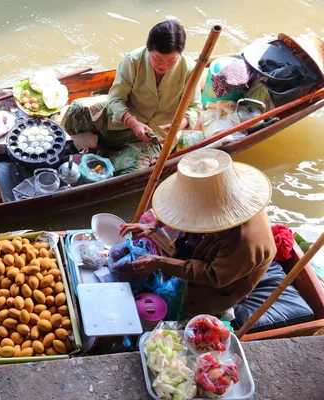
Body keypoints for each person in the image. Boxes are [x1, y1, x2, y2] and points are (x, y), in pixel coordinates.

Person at [119, 149, 276, 316]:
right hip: (203, 250)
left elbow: (212, 275)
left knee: (186, 305)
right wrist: (154, 225)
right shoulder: (214, 195)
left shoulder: (243, 241)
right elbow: (184, 206)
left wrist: (161, 262)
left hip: (219, 283)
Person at [62, 20, 202, 174]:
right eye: (158, 59)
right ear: (148, 49)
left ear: (180, 55)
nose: (164, 66)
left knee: (131, 169)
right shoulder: (133, 61)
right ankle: (93, 145)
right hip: (124, 119)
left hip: (157, 135)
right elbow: (115, 99)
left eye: (171, 61)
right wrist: (132, 122)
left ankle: (108, 155)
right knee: (78, 109)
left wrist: (180, 124)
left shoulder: (190, 70)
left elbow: (195, 107)